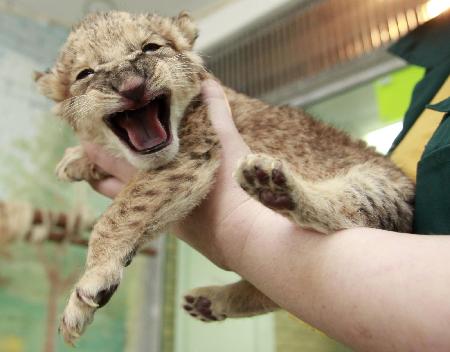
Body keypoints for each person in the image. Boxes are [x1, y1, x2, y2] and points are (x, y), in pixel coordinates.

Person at [82, 12, 450, 352]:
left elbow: (183, 171)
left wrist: (237, 226)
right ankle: (265, 273)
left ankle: (307, 210)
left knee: (373, 194)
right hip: (365, 267)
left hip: (369, 203)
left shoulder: (202, 98)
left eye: (149, 49)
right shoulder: (436, 60)